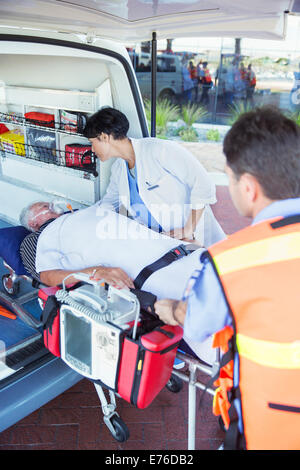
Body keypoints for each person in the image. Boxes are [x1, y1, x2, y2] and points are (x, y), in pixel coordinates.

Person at [154, 106, 300, 450]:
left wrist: (172, 309)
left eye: (229, 177)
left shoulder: (231, 260)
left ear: (248, 187)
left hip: (276, 428)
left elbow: (197, 325)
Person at [20, 201, 217, 365]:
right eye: (44, 205)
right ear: (34, 222)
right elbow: (46, 276)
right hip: (156, 276)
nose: (52, 205)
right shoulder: (38, 239)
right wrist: (96, 271)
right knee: (216, 319)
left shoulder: (87, 211)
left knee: (226, 282)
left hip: (181, 252)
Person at [83, 107, 225, 247]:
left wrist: (189, 229)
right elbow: (109, 204)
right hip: (163, 242)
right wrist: (79, 217)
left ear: (104, 137)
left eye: (92, 143)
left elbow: (203, 183)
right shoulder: (118, 169)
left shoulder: (158, 150)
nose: (92, 150)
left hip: (196, 237)